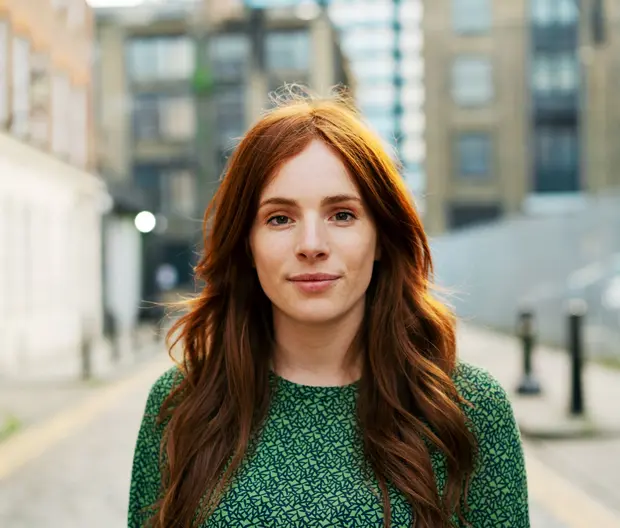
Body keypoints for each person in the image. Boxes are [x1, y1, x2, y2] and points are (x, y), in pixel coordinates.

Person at [128, 90, 529, 528]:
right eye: (280, 218)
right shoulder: (182, 406)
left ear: (381, 237)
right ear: (246, 243)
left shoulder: (467, 408)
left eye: (342, 215)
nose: (312, 245)